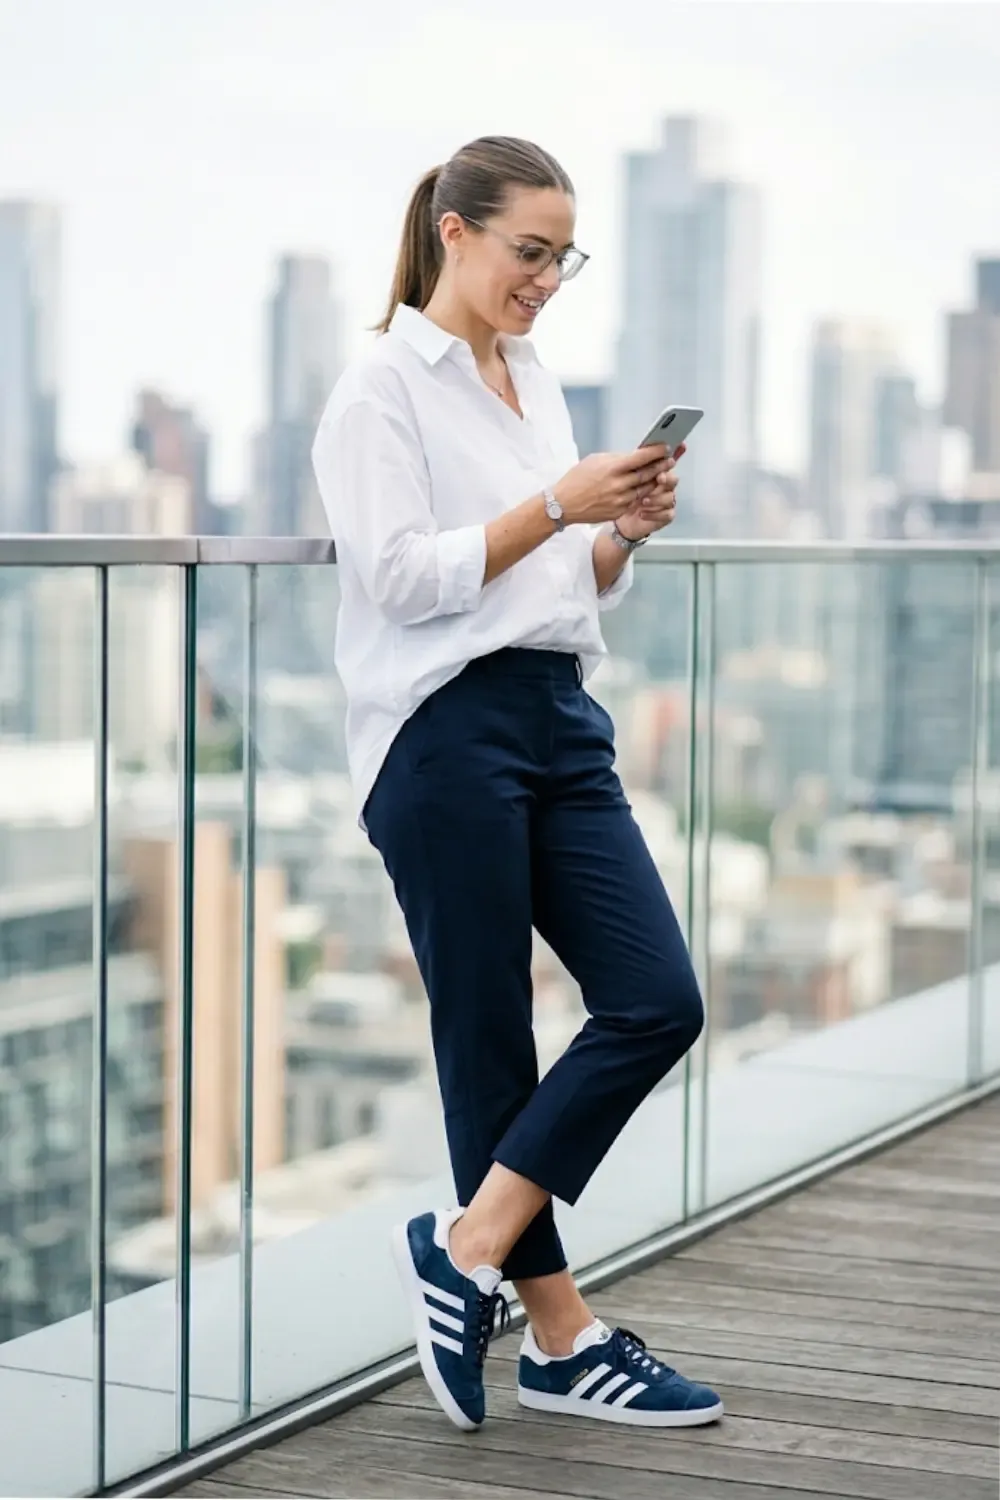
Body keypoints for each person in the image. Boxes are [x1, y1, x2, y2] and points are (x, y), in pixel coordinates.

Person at [312, 135, 722, 1434]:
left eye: (564, 257)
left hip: (558, 715)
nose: (548, 279)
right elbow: (403, 579)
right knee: (489, 1035)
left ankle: (463, 1247)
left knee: (657, 997)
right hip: (443, 732)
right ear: (458, 232)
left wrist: (611, 538)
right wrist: (558, 504)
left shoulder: (529, 381)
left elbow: (548, 584)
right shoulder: (379, 387)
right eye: (530, 252)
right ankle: (561, 1339)